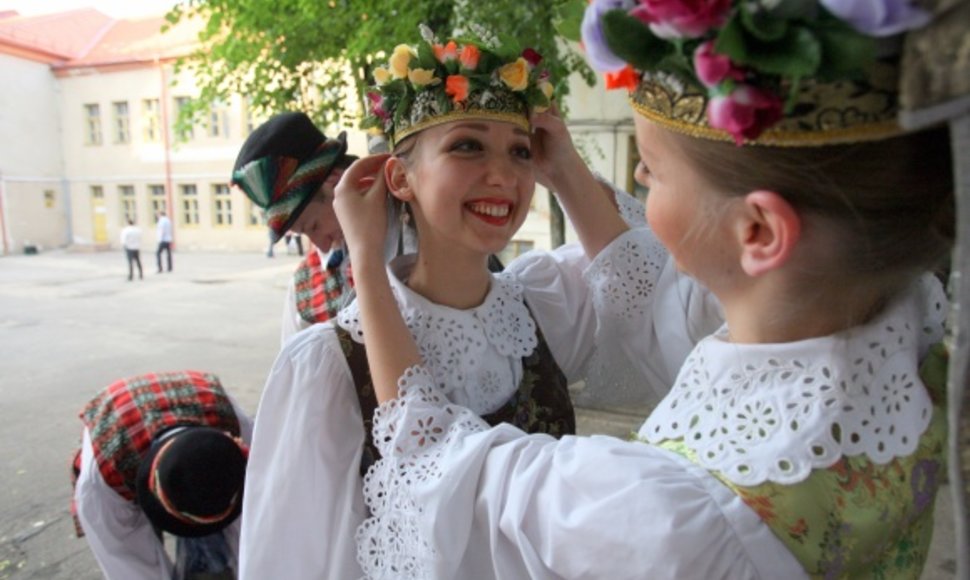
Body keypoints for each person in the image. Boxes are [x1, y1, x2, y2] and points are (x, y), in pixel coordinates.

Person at [336, 3, 955, 577]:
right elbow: (655, 304)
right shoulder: (910, 330)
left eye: (651, 170)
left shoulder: (674, 519)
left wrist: (366, 261)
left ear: (759, 231)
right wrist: (566, 172)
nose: (634, 179)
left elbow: (432, 458)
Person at [237, 31, 698, 579]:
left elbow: (657, 306)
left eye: (520, 151)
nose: (503, 176)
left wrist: (563, 166)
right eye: (467, 145)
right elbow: (298, 563)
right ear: (399, 176)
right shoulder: (325, 365)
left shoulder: (541, 305)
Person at [71, 371, 253, 580]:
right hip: (121, 429)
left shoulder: (236, 433)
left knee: (212, 561)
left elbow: (253, 529)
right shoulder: (103, 482)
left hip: (196, 409)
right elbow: (129, 565)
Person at [230, 111, 358, 343]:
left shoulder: (412, 230)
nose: (321, 244)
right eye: (305, 233)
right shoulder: (303, 287)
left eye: (314, 225)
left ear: (336, 183)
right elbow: (296, 371)